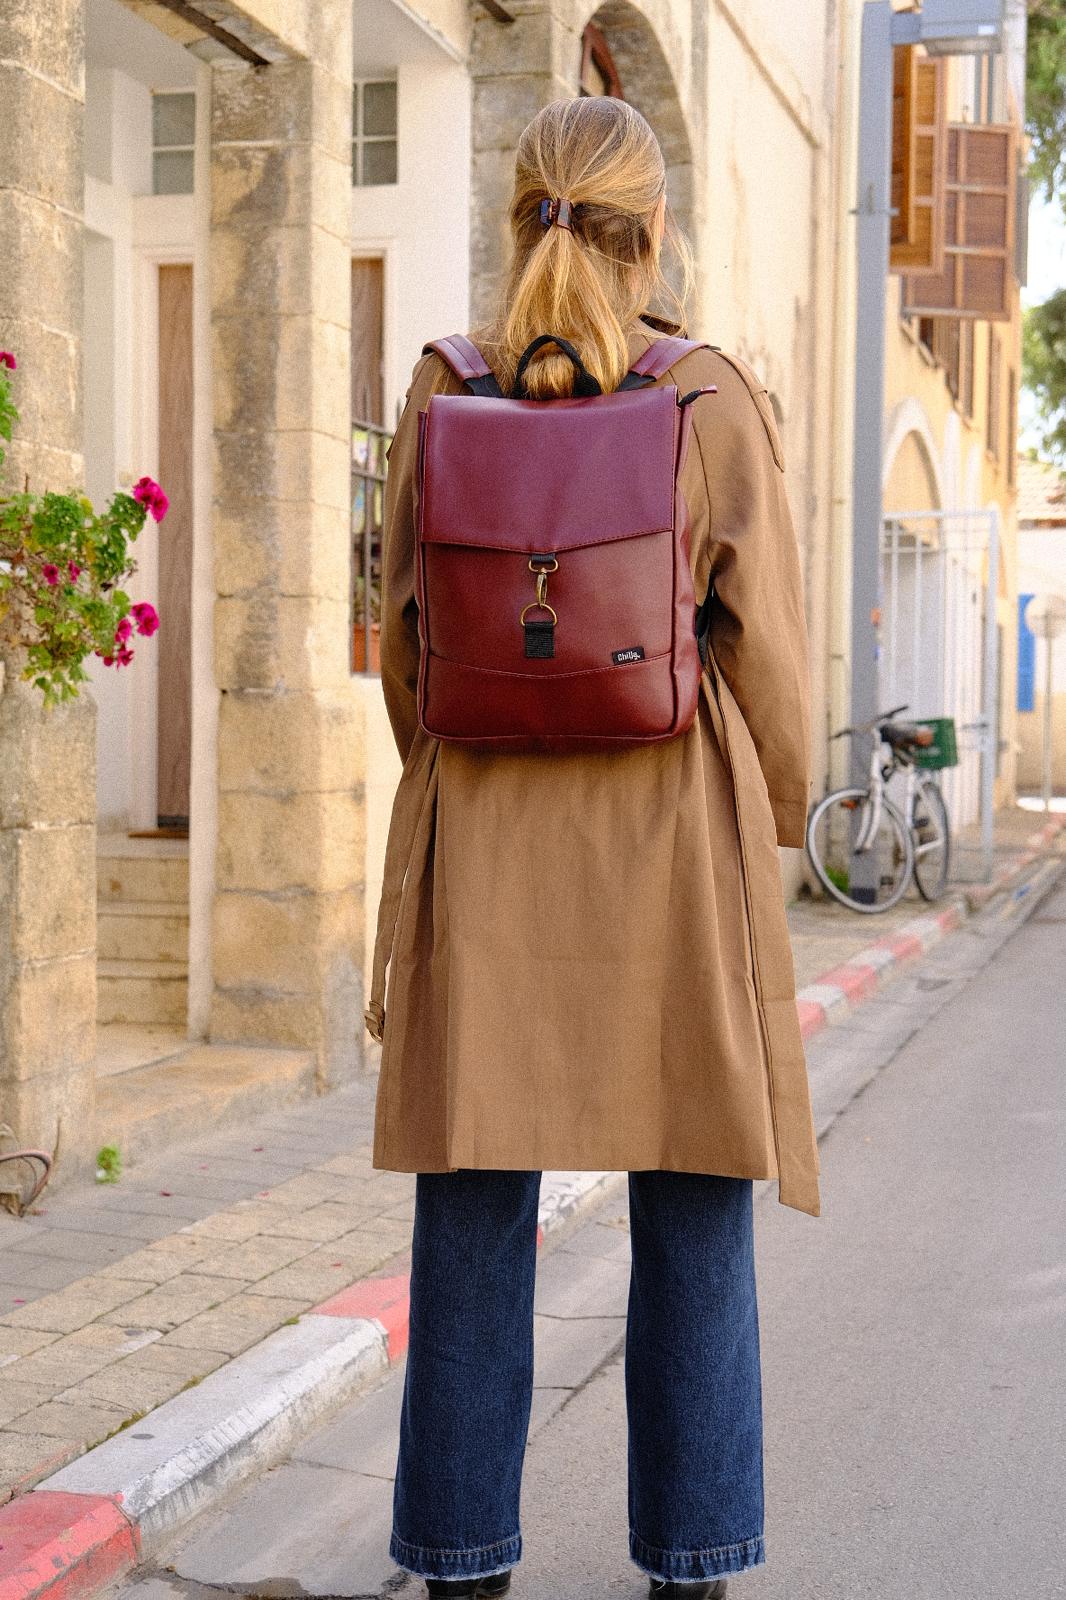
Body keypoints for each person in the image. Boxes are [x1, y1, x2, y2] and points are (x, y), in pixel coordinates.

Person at [367, 94, 819, 1600]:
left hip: (486, 845)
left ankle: (460, 1563)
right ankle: (692, 1563)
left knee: (473, 1214)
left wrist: (469, 780)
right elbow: (772, 673)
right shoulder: (707, 397)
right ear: (656, 231)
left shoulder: (443, 388)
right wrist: (760, 833)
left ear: (516, 217)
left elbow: (402, 652)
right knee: (692, 1207)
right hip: (666, 846)